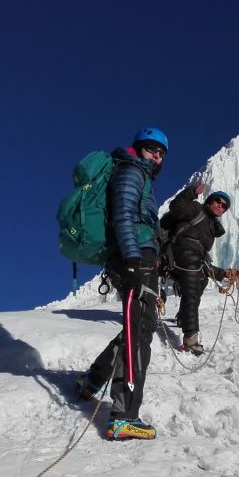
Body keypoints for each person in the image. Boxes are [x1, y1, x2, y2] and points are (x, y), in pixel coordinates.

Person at [76, 127, 168, 441]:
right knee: (139, 336)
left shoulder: (136, 174)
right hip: (134, 258)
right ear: (139, 148)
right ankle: (123, 416)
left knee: (138, 327)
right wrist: (132, 257)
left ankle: (93, 379)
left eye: (161, 152)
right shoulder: (131, 173)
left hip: (138, 258)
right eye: (152, 149)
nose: (157, 156)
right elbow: (123, 216)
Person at [160, 183, 239, 355]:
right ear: (210, 201)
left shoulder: (211, 229)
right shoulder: (196, 210)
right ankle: (191, 339)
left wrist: (223, 273)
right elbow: (176, 208)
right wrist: (191, 192)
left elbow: (203, 261)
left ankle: (183, 316)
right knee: (192, 285)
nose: (221, 205)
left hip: (192, 260)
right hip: (179, 255)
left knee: (200, 280)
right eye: (218, 201)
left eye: (224, 205)